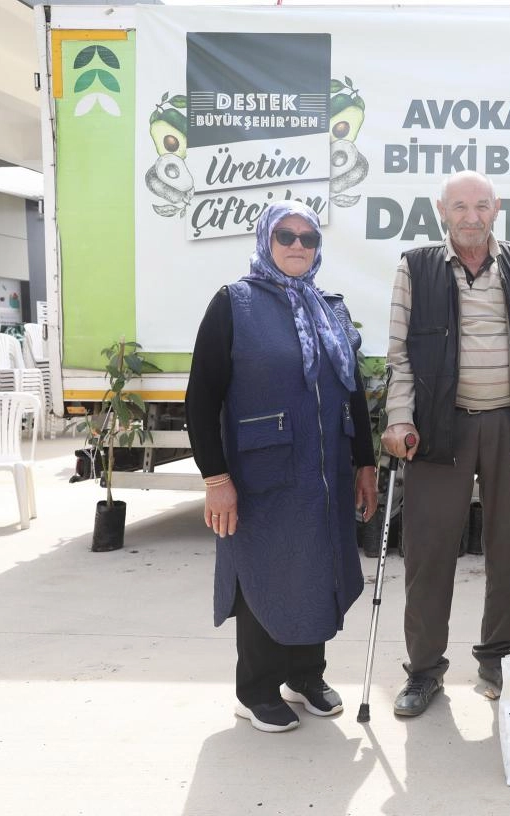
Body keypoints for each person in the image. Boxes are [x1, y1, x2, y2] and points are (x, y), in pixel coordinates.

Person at [185, 201, 377, 733]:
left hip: (324, 472)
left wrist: (365, 462)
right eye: (286, 235)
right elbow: (200, 399)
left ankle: (305, 676)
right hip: (259, 474)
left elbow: (353, 392)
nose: (298, 245)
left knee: (317, 565)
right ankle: (257, 688)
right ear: (266, 239)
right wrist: (216, 479)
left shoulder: (329, 308)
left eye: (308, 237)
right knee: (266, 571)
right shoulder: (234, 304)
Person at [382, 170, 510, 716]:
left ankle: (495, 658)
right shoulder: (415, 267)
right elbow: (399, 355)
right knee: (428, 553)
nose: (470, 216)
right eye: (459, 206)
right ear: (441, 209)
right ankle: (423, 671)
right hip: (440, 427)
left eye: (480, 205)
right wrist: (399, 417)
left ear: (496, 208)